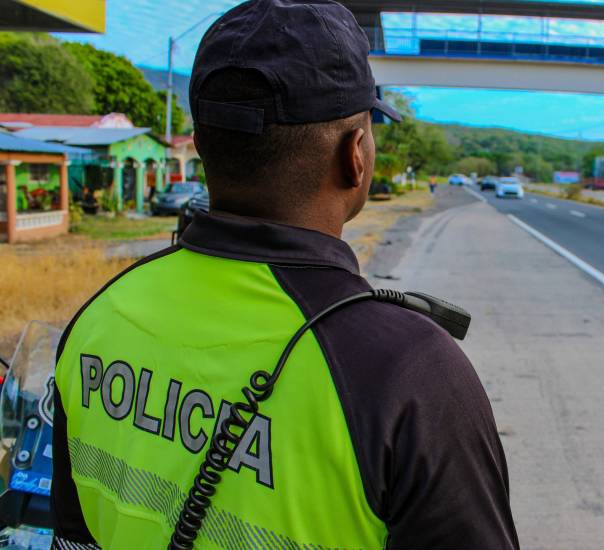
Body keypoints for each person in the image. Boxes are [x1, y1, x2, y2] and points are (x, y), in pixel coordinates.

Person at [50, 1, 519, 549]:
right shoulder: (411, 372)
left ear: (201, 145)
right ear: (356, 157)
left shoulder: (102, 314)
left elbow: (72, 536)